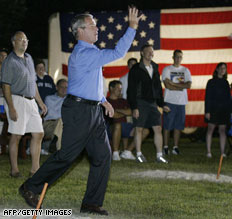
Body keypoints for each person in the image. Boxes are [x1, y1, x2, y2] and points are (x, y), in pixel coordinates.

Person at [19, 8, 142, 216]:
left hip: (92, 111)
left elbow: (87, 83)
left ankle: (91, 203)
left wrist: (103, 101)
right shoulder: (85, 53)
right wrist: (131, 28)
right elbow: (118, 53)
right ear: (80, 30)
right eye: (93, 25)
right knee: (67, 155)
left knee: (103, 156)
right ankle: (31, 186)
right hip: (79, 111)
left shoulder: (90, 53)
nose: (97, 28)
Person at [1, 31, 47, 177]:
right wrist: (12, 108)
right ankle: (14, 170)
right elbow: (6, 86)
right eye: (21, 39)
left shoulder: (29, 58)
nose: (24, 42)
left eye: (26, 39)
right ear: (14, 42)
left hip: (31, 101)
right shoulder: (9, 61)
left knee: (39, 133)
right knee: (16, 136)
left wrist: (40, 102)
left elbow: (33, 83)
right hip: (17, 100)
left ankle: (35, 169)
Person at [127, 44, 170, 163]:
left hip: (152, 103)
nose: (151, 54)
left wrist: (162, 104)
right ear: (142, 53)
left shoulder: (155, 67)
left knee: (157, 128)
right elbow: (131, 90)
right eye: (148, 51)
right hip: (140, 102)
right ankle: (139, 154)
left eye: (152, 52)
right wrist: (134, 107)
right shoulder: (135, 69)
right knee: (139, 128)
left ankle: (159, 155)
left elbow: (157, 88)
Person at [162, 50, 192, 155]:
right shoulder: (167, 69)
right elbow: (167, 85)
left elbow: (188, 85)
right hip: (169, 101)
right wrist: (180, 86)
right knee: (167, 125)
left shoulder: (185, 70)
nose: (178, 59)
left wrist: (173, 84)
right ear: (173, 57)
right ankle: (165, 147)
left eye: (180, 57)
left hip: (181, 102)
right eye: (176, 57)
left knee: (178, 126)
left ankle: (175, 147)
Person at [204, 62, 232, 158]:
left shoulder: (225, 82)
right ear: (217, 69)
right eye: (221, 68)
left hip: (224, 109)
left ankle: (222, 152)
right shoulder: (211, 82)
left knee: (222, 130)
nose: (222, 70)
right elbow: (207, 97)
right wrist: (207, 111)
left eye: (224, 68)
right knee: (210, 129)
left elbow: (229, 98)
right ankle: (208, 152)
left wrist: (231, 110)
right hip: (213, 109)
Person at [107, 80, 135, 160]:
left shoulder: (123, 101)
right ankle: (115, 153)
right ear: (111, 88)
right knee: (118, 125)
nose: (120, 91)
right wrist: (125, 112)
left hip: (126, 126)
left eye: (121, 89)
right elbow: (114, 115)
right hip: (111, 127)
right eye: (118, 89)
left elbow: (131, 111)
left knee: (144, 130)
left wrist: (118, 110)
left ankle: (127, 152)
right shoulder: (106, 101)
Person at [42, 79, 68, 153]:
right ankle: (60, 150)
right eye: (62, 87)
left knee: (63, 124)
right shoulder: (49, 98)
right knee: (61, 121)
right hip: (49, 124)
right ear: (56, 87)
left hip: (63, 125)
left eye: (66, 87)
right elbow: (52, 114)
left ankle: (57, 148)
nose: (64, 90)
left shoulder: (69, 100)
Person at [0, 48, 8, 155]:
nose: (3, 58)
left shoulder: (9, 70)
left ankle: (4, 145)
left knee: (5, 121)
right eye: (1, 56)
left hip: (7, 99)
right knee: (0, 119)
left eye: (5, 56)